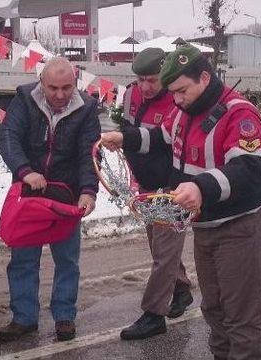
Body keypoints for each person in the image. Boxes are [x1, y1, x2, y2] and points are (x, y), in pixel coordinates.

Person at [102, 45, 261, 359]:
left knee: (241, 318)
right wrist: (125, 138)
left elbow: (247, 169)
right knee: (214, 310)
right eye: (173, 93)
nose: (176, 99)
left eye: (182, 91)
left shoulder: (240, 114)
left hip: (242, 227)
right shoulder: (182, 109)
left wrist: (200, 188)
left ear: (205, 78)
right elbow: (162, 137)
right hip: (206, 224)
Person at [0, 57, 100, 343]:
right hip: (30, 193)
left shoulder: (87, 108)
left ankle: (64, 316)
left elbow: (88, 153)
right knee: (23, 261)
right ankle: (24, 318)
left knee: (67, 261)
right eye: (53, 87)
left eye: (67, 87)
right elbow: (8, 137)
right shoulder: (24, 99)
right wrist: (24, 171)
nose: (60, 94)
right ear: (42, 82)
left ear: (75, 82)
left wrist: (88, 191)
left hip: (66, 196)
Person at [116, 47, 193, 341]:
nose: (145, 87)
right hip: (146, 185)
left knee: (163, 252)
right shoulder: (131, 94)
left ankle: (153, 314)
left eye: (152, 80)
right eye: (140, 80)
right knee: (159, 247)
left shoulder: (179, 102)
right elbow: (129, 128)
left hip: (173, 187)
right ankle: (182, 289)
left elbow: (166, 144)